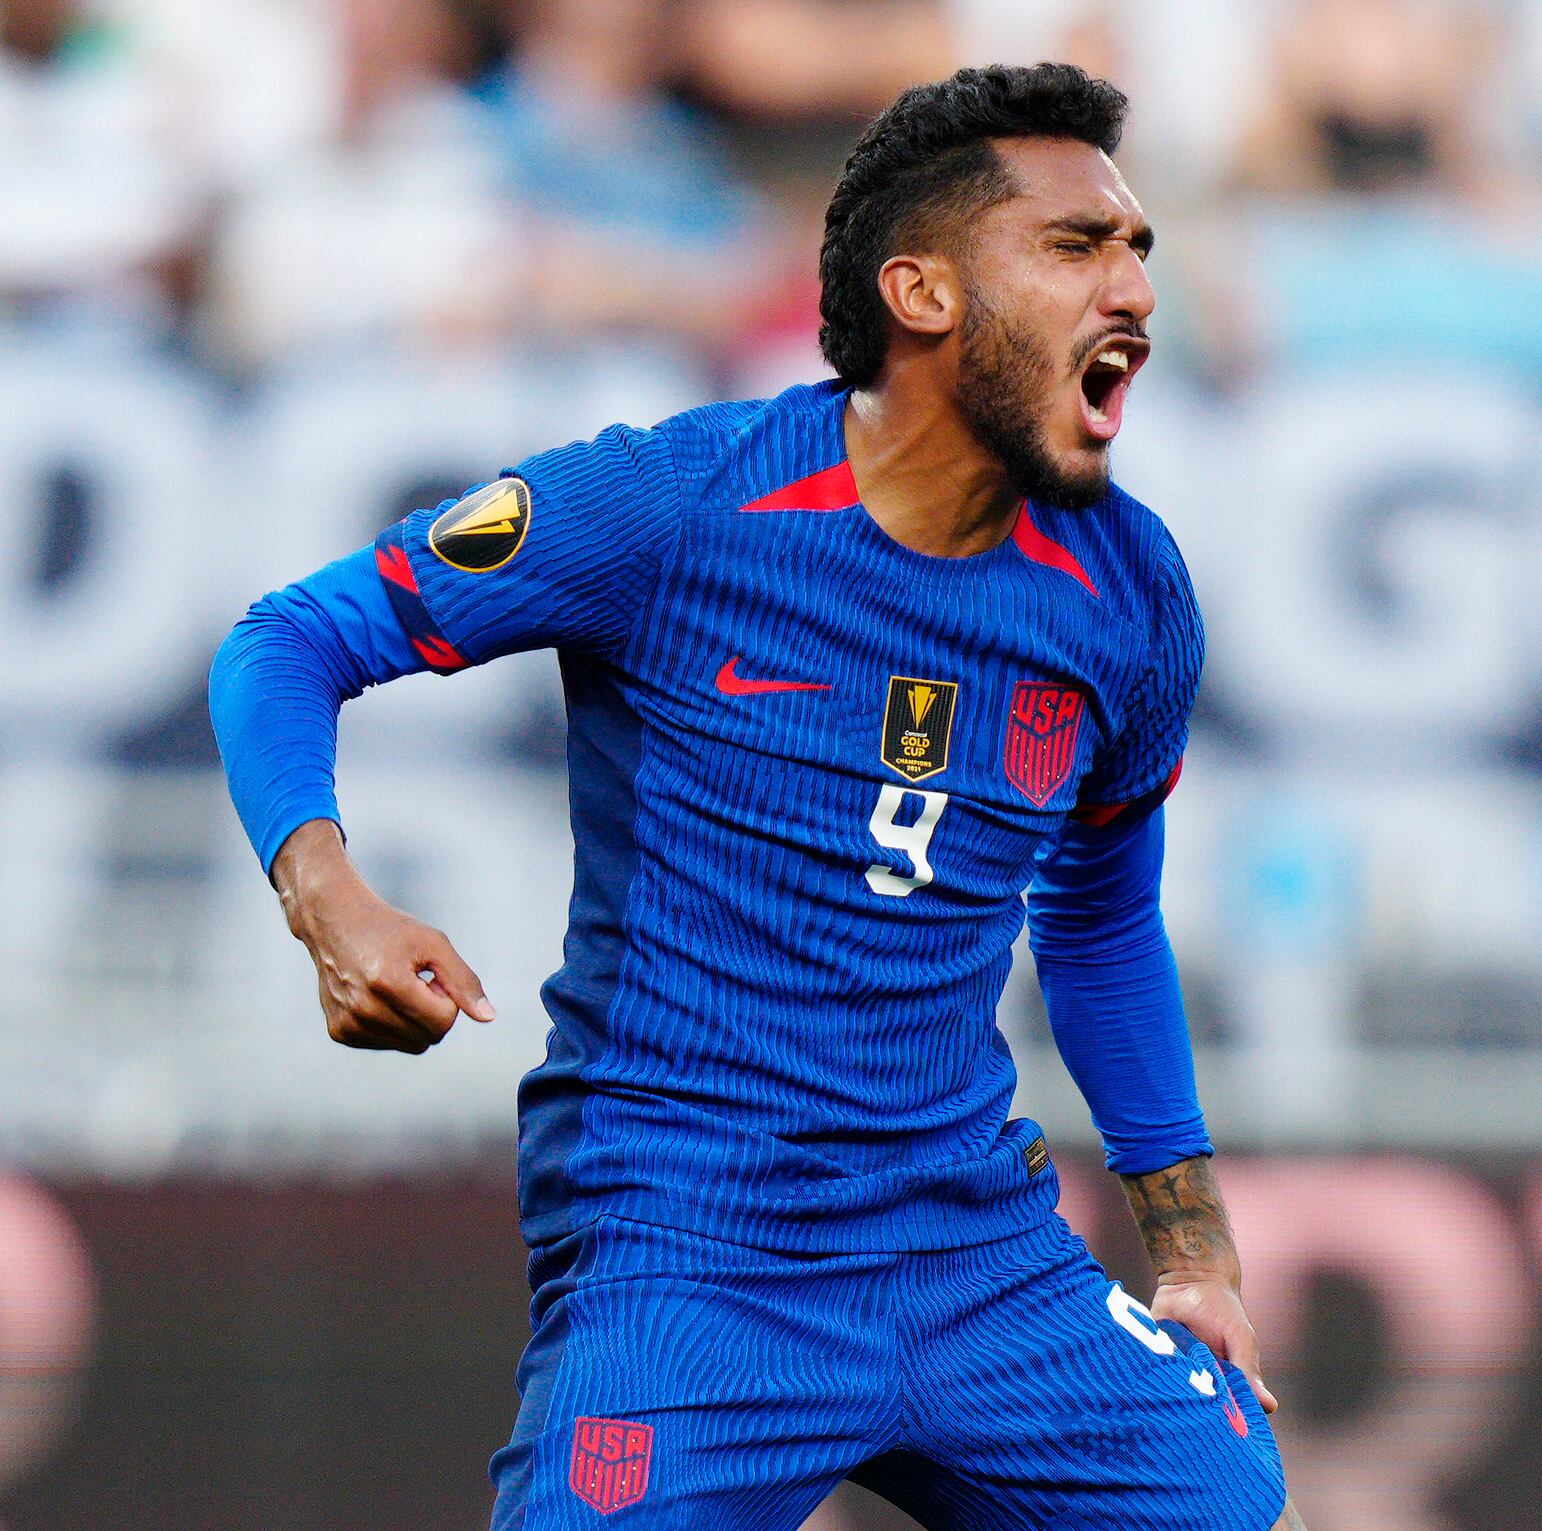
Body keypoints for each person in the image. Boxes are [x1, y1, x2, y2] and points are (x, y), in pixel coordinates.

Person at [209, 62, 1302, 1529]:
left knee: (1235, 1505)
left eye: (1137, 250)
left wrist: (1195, 1257)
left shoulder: (1128, 590)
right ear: (921, 293)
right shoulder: (670, 508)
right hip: (692, 1248)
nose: (1135, 289)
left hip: (973, 1252)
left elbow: (1101, 925)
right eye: (1076, 246)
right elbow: (287, 642)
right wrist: (324, 891)